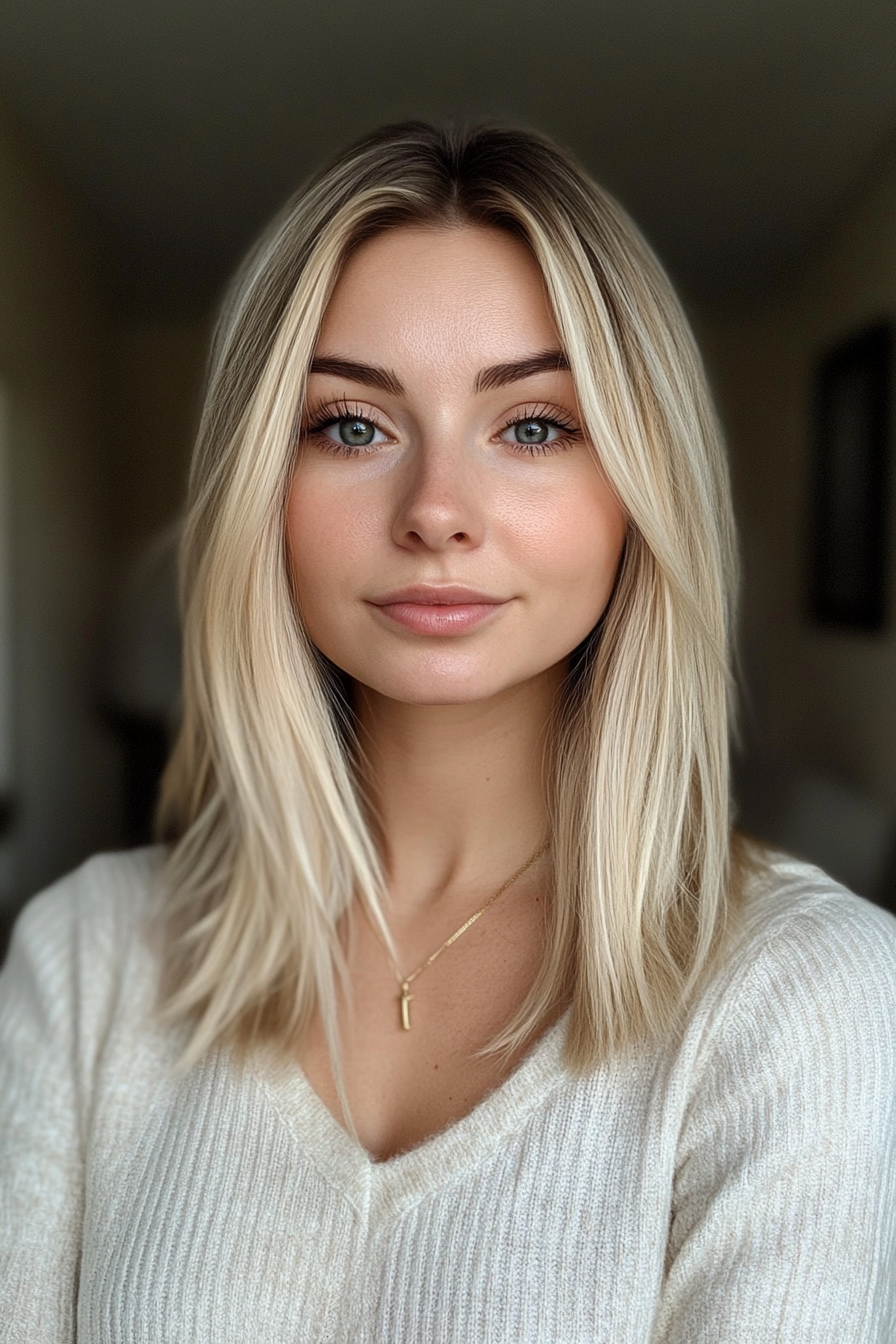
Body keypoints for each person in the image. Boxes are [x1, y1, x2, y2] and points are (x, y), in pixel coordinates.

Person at [1, 121, 894, 1343]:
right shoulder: (83, 963)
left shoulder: (810, 998)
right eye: (350, 426)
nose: (434, 512)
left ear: (639, 491)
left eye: (531, 425)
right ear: (263, 486)